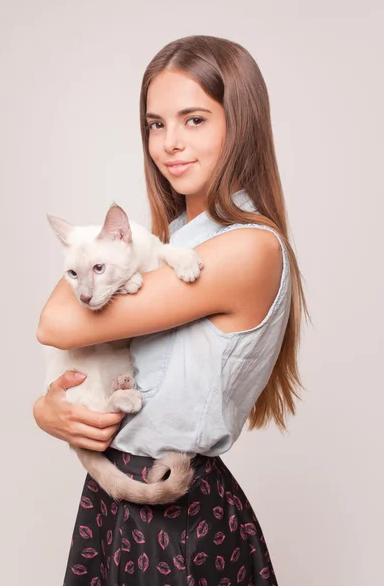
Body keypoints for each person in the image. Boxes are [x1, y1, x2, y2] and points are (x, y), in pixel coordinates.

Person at [34, 34, 309, 586]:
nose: (170, 144)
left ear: (242, 124)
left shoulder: (244, 248)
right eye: (155, 124)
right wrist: (48, 412)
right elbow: (93, 352)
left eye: (195, 119)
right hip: (123, 497)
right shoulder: (177, 240)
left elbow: (57, 321)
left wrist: (106, 250)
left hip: (176, 513)